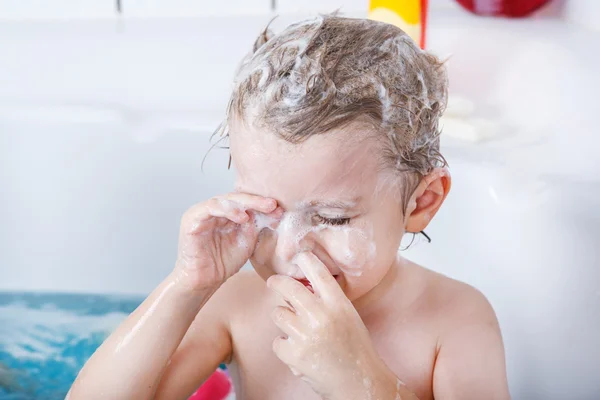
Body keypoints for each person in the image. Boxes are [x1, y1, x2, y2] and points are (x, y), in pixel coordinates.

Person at [69, 15, 510, 400]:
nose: (292, 252)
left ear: (422, 202)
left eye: (333, 218)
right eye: (268, 213)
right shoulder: (239, 305)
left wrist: (358, 379)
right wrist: (185, 287)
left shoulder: (454, 319)